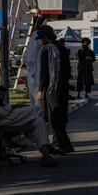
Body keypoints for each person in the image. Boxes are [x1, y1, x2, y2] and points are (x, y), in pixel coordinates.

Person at [0, 78, 59, 167]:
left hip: (4, 115)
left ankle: (46, 153)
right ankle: (47, 146)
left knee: (37, 121)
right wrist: (11, 107)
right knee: (36, 110)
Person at [36, 26, 74, 154]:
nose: (39, 41)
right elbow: (68, 70)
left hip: (53, 88)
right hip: (63, 86)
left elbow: (45, 72)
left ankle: (62, 144)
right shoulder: (61, 47)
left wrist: (40, 89)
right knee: (61, 115)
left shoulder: (47, 49)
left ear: (45, 37)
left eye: (40, 38)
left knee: (54, 116)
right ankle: (59, 143)